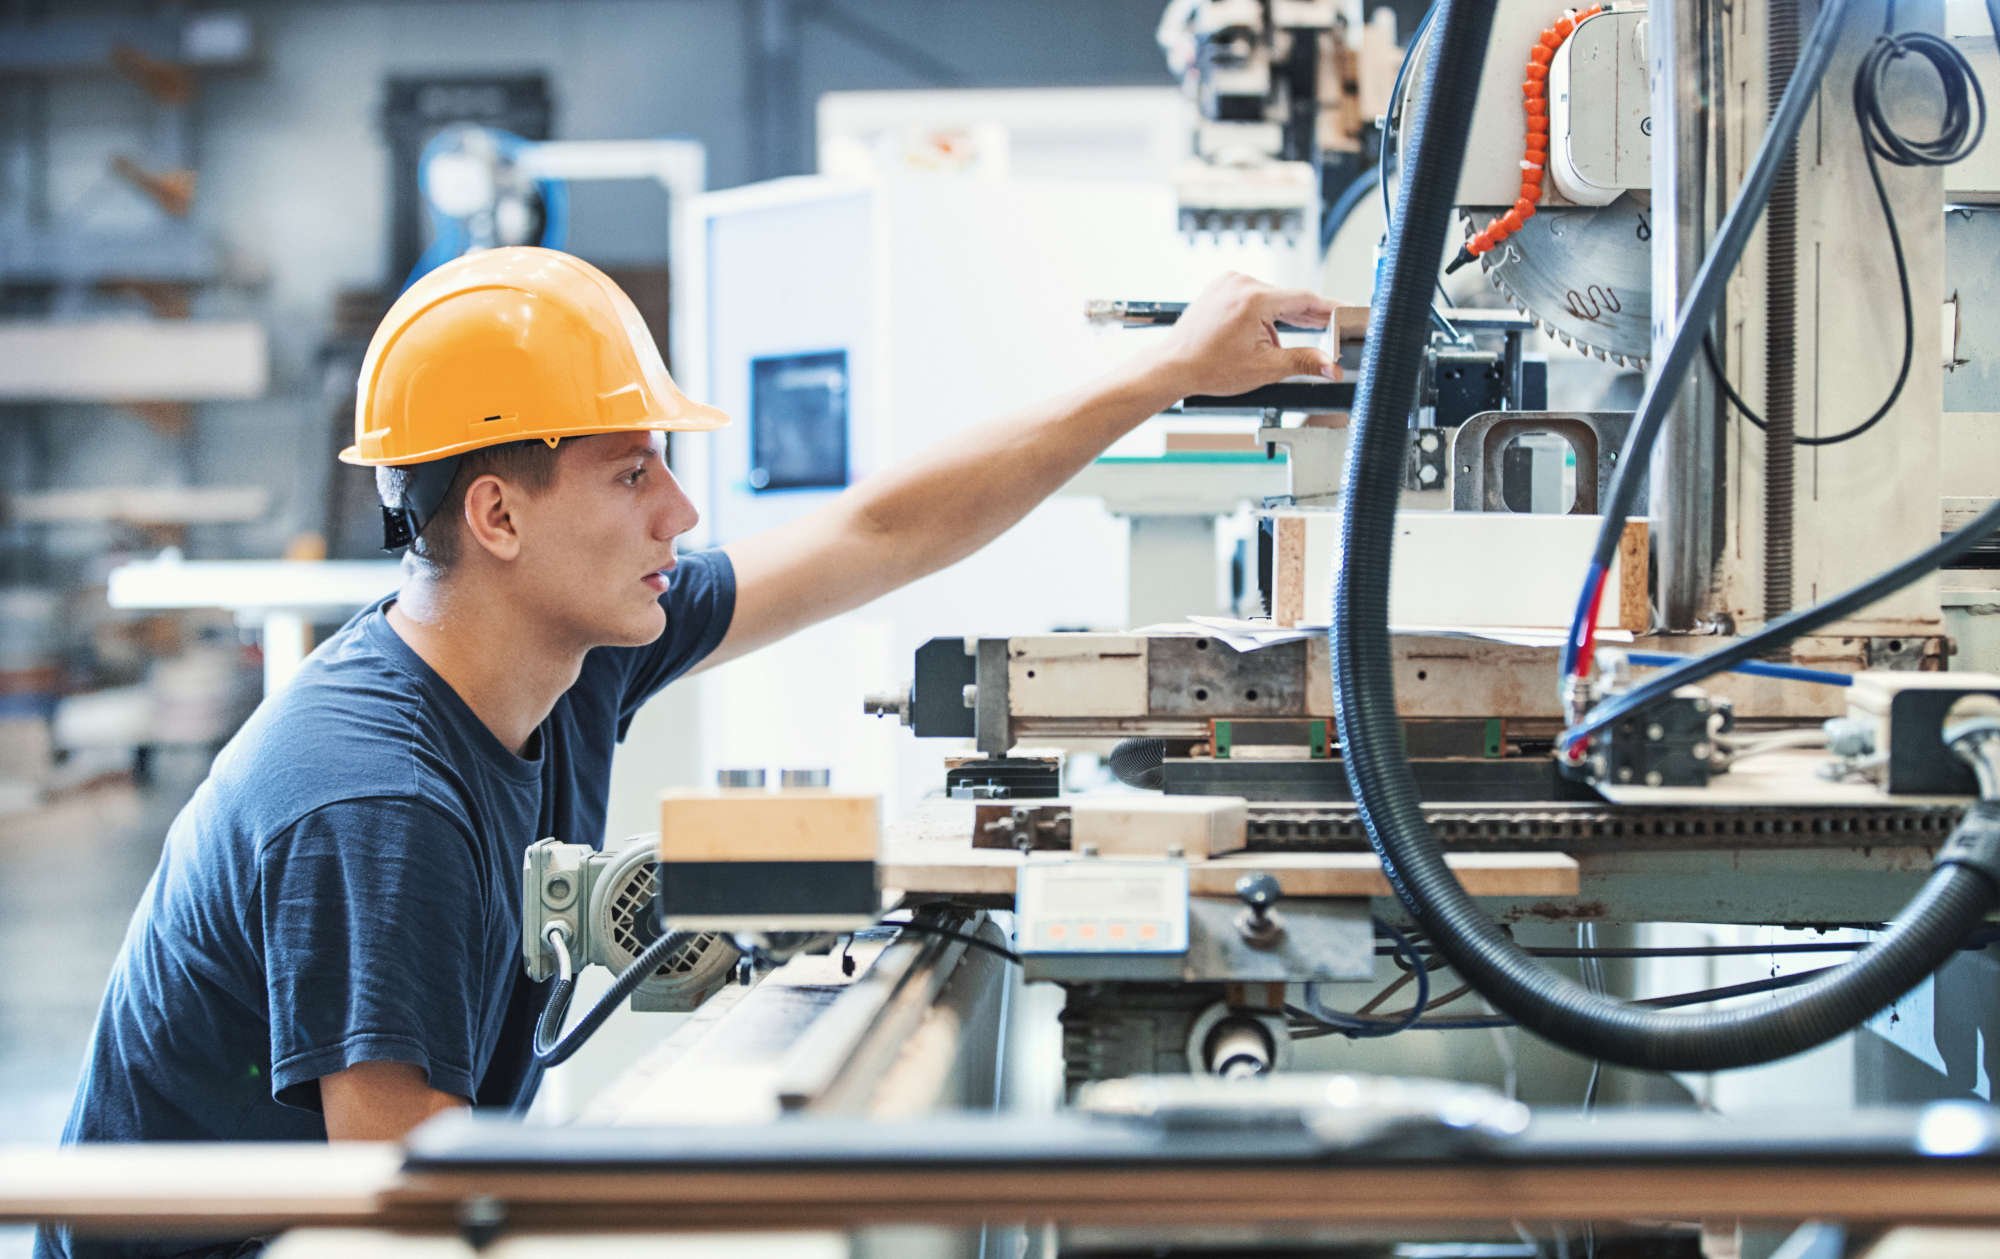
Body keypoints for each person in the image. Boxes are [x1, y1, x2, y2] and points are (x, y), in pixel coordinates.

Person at [40, 245, 1337, 1257]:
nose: (682, 510)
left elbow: (876, 534)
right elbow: (410, 1214)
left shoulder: (574, 655)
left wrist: (1161, 372)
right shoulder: (377, 803)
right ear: (496, 512)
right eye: (630, 475)